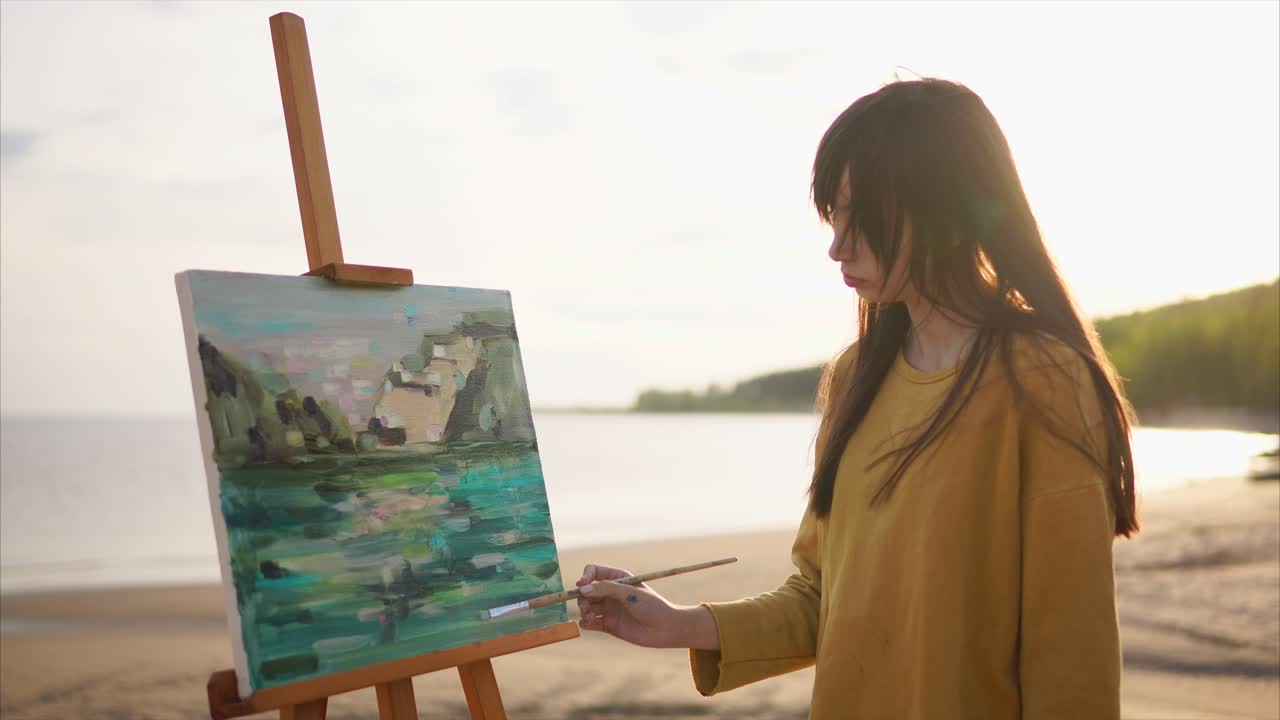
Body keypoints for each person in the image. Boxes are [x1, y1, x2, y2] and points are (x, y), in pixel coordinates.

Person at [574, 77, 1138, 719]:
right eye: (834, 216)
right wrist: (677, 622)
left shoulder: (1043, 380)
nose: (837, 245)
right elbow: (822, 599)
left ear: (946, 209)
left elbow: (1072, 653)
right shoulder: (854, 379)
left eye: (860, 217)